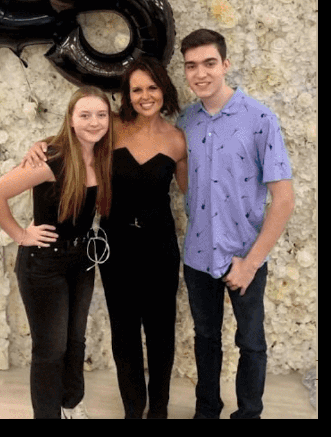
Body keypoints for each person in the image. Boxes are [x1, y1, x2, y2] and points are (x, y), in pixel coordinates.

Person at [20, 57, 186, 419]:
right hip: (116, 246)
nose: (145, 96)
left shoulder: (177, 139)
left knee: (161, 334)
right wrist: (41, 145)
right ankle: (132, 409)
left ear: (164, 90)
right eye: (136, 89)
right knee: (124, 333)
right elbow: (76, 138)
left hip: (160, 248)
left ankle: (158, 409)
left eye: (152, 88)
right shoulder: (113, 129)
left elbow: (190, 190)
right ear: (127, 95)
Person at [176, 28, 292, 419]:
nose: (200, 73)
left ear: (225, 64)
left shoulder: (260, 119)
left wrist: (251, 262)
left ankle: (248, 414)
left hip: (245, 255)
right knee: (205, 339)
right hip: (197, 256)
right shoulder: (185, 121)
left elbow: (284, 200)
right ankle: (206, 411)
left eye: (209, 63)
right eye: (191, 66)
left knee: (252, 343)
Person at [0, 86, 114, 419]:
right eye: (85, 115)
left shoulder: (102, 156)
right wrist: (20, 234)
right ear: (71, 120)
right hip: (44, 264)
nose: (94, 122)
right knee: (50, 350)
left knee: (76, 341)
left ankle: (71, 404)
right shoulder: (51, 159)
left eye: (101, 114)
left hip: (83, 260)